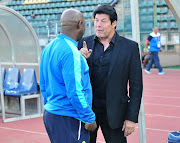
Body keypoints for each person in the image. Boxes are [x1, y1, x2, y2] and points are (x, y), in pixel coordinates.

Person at [78, 4, 143, 143]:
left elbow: (136, 86)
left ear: (114, 23)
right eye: (96, 20)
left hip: (115, 114)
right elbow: (74, 77)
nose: (98, 25)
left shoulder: (130, 47)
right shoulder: (83, 44)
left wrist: (131, 118)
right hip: (88, 113)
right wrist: (79, 59)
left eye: (103, 21)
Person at [40, 9, 97, 143]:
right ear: (79, 24)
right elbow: (75, 91)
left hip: (51, 114)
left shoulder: (48, 48)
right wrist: (89, 117)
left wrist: (52, 106)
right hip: (69, 117)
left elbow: (43, 84)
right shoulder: (71, 53)